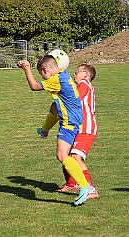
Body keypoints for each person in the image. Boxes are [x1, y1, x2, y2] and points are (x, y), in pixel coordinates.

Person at [17, 56, 94, 206]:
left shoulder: (56, 80)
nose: (43, 78)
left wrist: (27, 69)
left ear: (45, 70)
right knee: (54, 106)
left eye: (41, 74)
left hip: (68, 123)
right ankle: (44, 131)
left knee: (62, 155)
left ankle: (86, 186)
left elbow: (34, 86)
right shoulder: (63, 74)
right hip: (73, 120)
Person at [37, 64, 99, 198]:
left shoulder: (84, 83)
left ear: (86, 74)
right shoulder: (82, 83)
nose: (75, 74)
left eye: (77, 72)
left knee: (75, 158)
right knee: (66, 155)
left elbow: (74, 98)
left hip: (85, 127)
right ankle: (72, 183)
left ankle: (90, 188)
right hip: (78, 126)